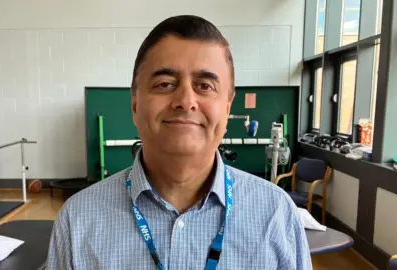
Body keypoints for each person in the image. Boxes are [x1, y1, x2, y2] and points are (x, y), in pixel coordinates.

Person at [47, 15, 312, 269]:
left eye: (205, 86)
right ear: (135, 103)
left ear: (228, 107)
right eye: (164, 84)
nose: (186, 101)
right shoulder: (77, 220)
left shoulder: (277, 215)